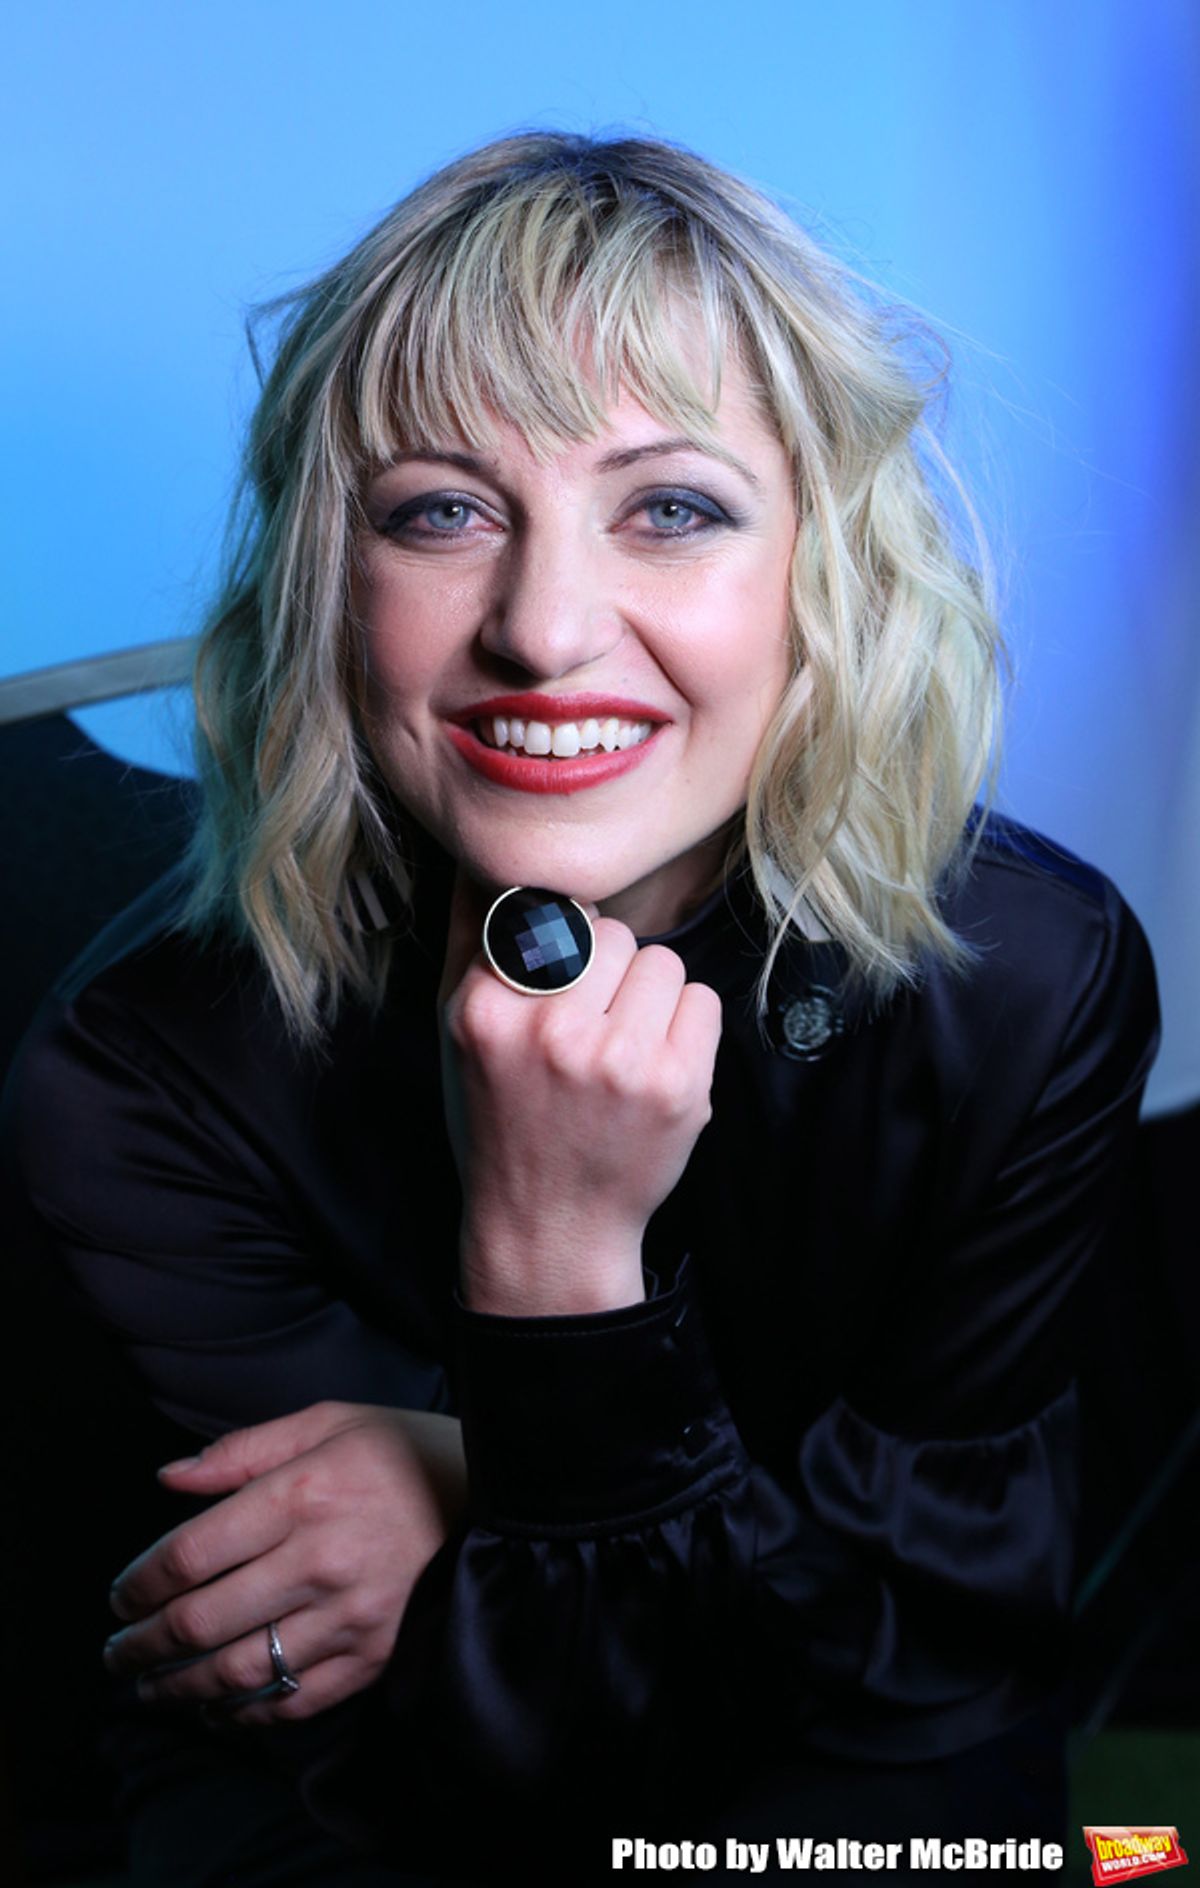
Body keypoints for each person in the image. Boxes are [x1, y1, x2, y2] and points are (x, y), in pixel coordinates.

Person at [7, 132, 1160, 1885]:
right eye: (443, 512)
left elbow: (925, 1668)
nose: (544, 630)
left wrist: (476, 1472)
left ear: (821, 575)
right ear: (339, 584)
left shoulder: (1026, 981)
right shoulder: (135, 1079)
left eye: (672, 507)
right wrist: (555, 1265)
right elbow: (464, 1741)